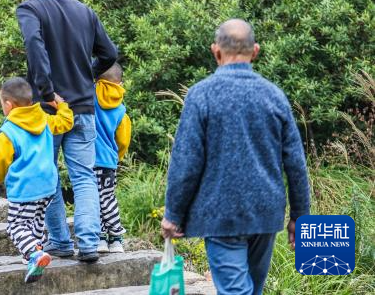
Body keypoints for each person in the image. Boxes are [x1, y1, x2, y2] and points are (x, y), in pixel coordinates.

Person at [162, 19, 310, 295]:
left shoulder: (201, 95)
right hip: (265, 213)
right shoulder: (274, 96)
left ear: (216, 51)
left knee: (235, 291)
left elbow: (186, 163)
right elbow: (296, 164)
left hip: (221, 214)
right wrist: (300, 216)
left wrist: (173, 214)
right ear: (255, 51)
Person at [15, 0, 118, 263]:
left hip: (49, 109)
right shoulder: (84, 10)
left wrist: (46, 91)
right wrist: (88, 75)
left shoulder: (29, 9)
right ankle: (89, 243)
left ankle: (60, 241)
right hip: (84, 106)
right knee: (84, 176)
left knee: (48, 176)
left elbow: (34, 46)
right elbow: (109, 54)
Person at [0, 78, 74, 284]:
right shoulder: (44, 119)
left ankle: (34, 252)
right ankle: (33, 256)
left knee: (15, 226)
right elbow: (65, 122)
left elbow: (0, 163)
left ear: (8, 105)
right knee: (35, 223)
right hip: (48, 186)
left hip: (25, 188)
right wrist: (62, 105)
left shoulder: (7, 132)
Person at [92, 63, 131, 254]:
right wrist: (117, 156)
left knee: (93, 198)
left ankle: (100, 237)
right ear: (120, 83)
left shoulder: (90, 96)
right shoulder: (120, 109)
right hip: (108, 162)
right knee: (107, 198)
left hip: (88, 160)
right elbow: (123, 139)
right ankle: (115, 240)